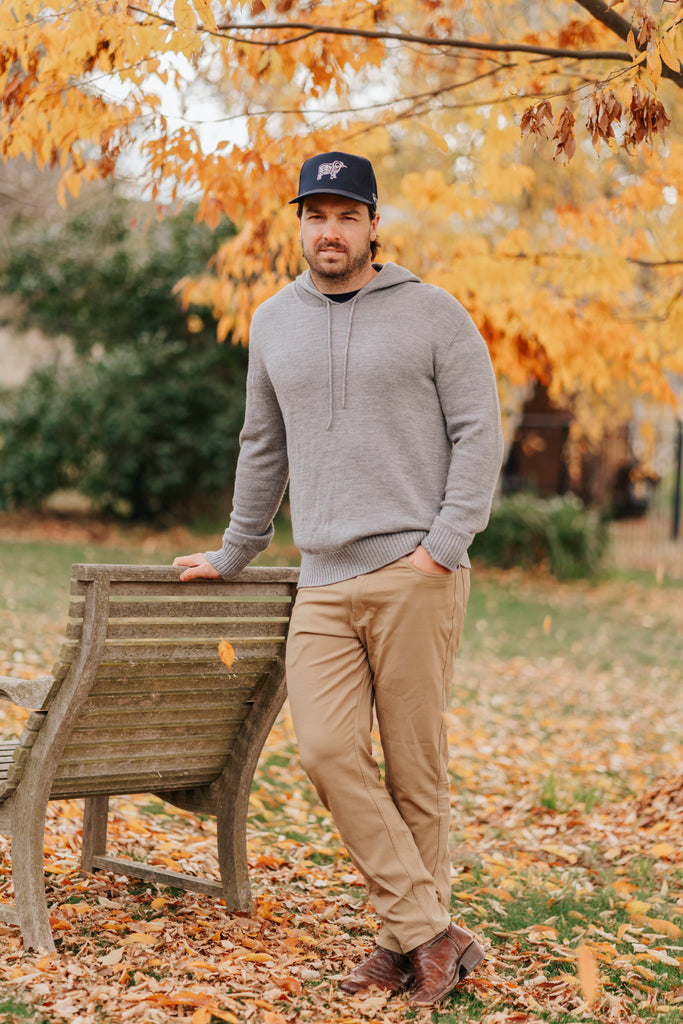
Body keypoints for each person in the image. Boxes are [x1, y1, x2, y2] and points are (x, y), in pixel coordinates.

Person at [174, 151, 504, 1005]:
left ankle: (401, 952)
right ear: (300, 225)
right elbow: (262, 444)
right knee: (324, 751)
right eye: (314, 215)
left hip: (413, 571)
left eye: (345, 214)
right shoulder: (274, 321)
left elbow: (478, 434)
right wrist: (235, 550)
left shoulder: (433, 313)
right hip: (320, 577)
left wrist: (443, 544)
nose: (329, 230)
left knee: (414, 771)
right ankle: (432, 932)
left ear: (372, 223)